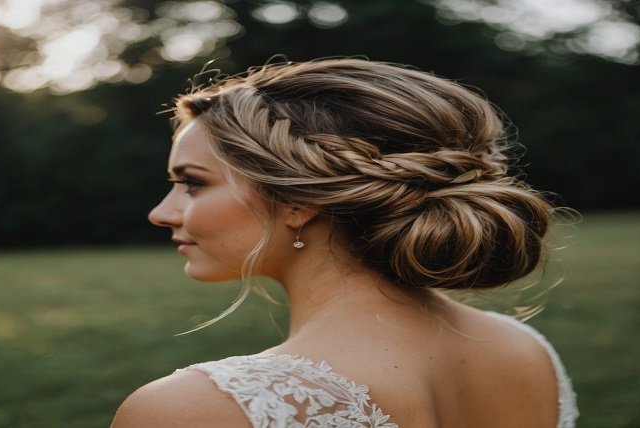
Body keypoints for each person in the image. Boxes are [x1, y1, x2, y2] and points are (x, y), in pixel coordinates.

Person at [111, 58, 578, 427]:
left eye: (192, 184)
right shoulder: (525, 349)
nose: (161, 213)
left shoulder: (194, 410)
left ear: (296, 199)